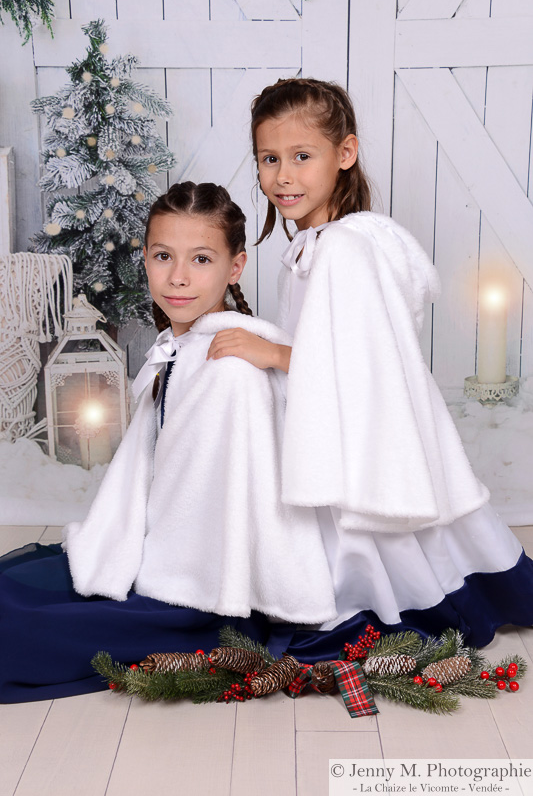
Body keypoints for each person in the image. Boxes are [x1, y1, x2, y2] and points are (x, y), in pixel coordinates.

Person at [206, 77, 533, 661]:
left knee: (387, 549)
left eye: (302, 157)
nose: (282, 176)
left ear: (345, 154)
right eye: (268, 159)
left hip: (361, 440)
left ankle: (396, 602)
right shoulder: (317, 245)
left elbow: (366, 359)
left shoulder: (343, 250)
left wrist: (277, 356)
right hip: (334, 426)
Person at [0, 181, 336, 702]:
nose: (177, 277)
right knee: (16, 581)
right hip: (149, 552)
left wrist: (154, 569)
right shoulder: (181, 350)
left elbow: (223, 514)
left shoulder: (232, 370)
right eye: (163, 256)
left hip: (198, 589)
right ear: (146, 259)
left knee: (18, 624)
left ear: (235, 266)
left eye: (201, 259)